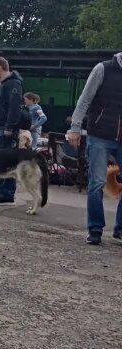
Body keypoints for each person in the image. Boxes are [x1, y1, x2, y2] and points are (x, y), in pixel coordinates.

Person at [67, 51, 122, 245]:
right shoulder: (103, 69)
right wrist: (75, 127)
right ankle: (95, 229)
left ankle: (120, 229)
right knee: (97, 182)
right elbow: (85, 99)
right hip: (99, 134)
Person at [0, 57, 24, 203]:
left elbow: (15, 108)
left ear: (0, 68)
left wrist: (9, 127)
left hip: (4, 128)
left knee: (6, 161)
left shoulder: (13, 84)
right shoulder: (3, 85)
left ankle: (6, 193)